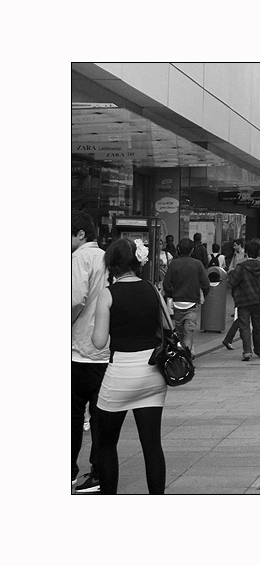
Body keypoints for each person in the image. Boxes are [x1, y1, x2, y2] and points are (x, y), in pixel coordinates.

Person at [91, 238, 167, 494]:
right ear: (137, 261)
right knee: (152, 446)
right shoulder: (152, 289)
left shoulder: (108, 294)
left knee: (106, 443)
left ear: (111, 264)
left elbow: (99, 341)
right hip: (153, 374)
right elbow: (167, 326)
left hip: (121, 374)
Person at [72, 210, 110, 493]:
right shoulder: (108, 257)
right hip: (105, 348)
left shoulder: (79, 258)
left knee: (73, 413)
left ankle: (70, 468)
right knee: (99, 414)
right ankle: (98, 470)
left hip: (81, 347)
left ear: (81, 234)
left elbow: (74, 299)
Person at [163, 238, 210, 357]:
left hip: (178, 302)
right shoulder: (198, 264)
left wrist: (172, 294)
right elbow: (206, 284)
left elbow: (166, 284)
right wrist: (202, 295)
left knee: (179, 331)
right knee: (189, 331)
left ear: (178, 249)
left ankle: (180, 354)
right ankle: (187, 355)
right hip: (192, 301)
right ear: (192, 250)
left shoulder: (174, 263)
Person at [227, 240, 260, 361]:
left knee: (244, 326)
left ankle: (247, 351)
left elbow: (232, 282)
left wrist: (231, 273)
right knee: (258, 326)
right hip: (259, 300)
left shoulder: (241, 267)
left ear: (247, 252)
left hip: (243, 300)